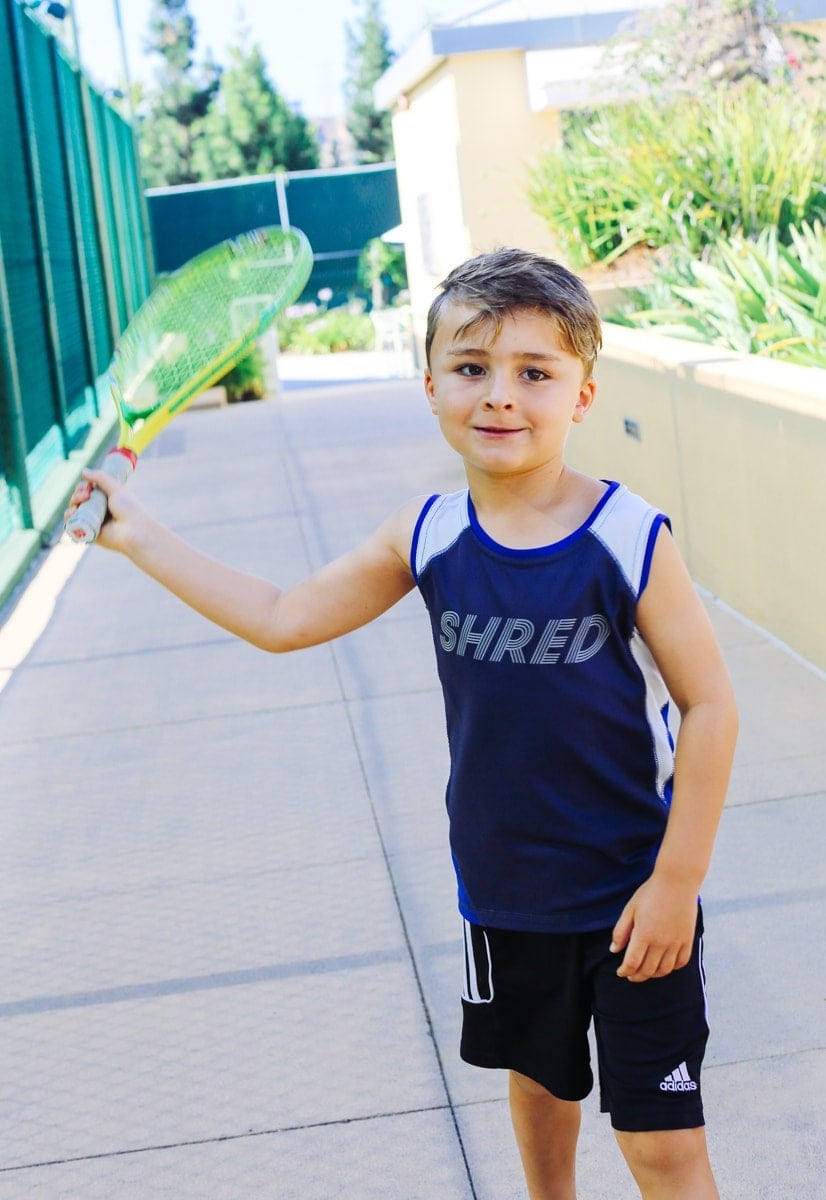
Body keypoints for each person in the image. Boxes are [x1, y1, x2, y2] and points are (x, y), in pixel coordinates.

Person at [66, 247, 738, 1200]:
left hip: (637, 901)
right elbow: (281, 616)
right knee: (541, 1090)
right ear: (430, 387)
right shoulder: (425, 532)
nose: (500, 396)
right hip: (505, 895)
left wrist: (678, 883)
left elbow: (713, 705)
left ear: (583, 395)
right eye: (471, 369)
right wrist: (137, 536)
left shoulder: (627, 536)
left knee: (663, 1146)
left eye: (534, 373)